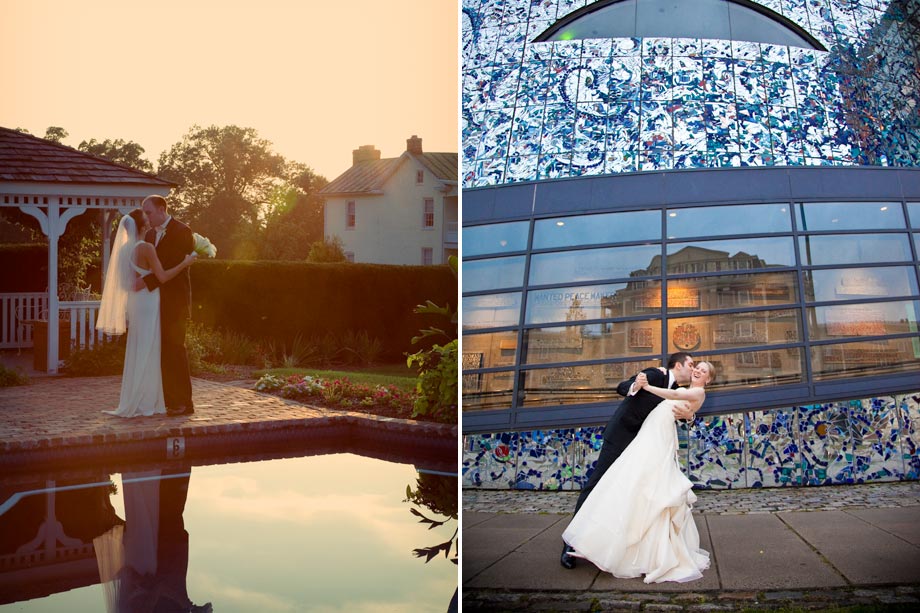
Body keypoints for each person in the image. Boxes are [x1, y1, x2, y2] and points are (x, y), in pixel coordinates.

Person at [561, 362, 715, 583]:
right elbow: (622, 386)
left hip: (649, 443)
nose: (694, 369)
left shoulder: (686, 389)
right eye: (692, 364)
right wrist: (637, 385)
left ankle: (624, 542)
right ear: (679, 365)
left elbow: (686, 406)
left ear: (708, 378)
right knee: (598, 485)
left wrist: (689, 416)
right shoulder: (656, 374)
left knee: (638, 490)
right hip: (622, 437)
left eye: (700, 369)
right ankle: (572, 543)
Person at [96, 210, 196, 417]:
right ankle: (149, 400)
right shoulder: (146, 247)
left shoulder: (124, 249)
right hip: (150, 303)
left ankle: (140, 397)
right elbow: (163, 276)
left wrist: (140, 283)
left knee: (140, 346)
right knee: (151, 348)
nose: (150, 220)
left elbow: (127, 284)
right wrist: (185, 263)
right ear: (143, 227)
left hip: (136, 304)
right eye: (147, 218)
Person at [140, 195, 196, 416]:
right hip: (155, 302)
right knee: (161, 351)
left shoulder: (183, 231)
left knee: (176, 350)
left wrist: (145, 282)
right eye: (144, 213)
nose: (146, 216)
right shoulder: (150, 234)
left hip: (176, 302)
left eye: (149, 212)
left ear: (162, 209)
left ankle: (185, 403)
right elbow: (151, 265)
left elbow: (172, 266)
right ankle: (169, 400)